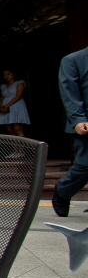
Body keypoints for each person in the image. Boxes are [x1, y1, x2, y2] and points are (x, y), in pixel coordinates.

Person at [52, 47, 88, 217]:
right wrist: (78, 119)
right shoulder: (73, 60)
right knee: (85, 164)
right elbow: (69, 92)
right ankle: (63, 190)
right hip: (85, 120)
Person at [0, 69, 30, 140]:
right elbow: (2, 98)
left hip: (16, 106)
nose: (6, 76)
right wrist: (0, 107)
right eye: (4, 75)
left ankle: (22, 147)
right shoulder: (3, 86)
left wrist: (6, 106)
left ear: (14, 74)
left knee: (17, 129)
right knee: (10, 130)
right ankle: (15, 146)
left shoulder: (19, 83)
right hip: (5, 107)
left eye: (8, 74)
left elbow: (18, 96)